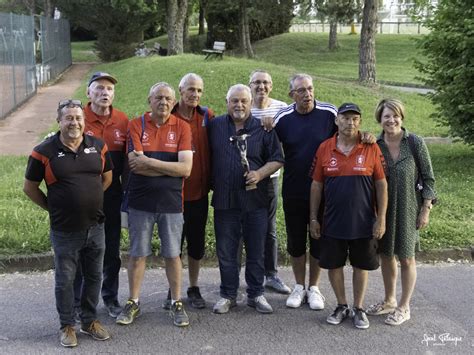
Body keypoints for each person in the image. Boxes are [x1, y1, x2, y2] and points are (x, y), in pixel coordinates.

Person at [23, 99, 113, 348]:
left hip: (95, 227)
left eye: (78, 118)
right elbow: (29, 188)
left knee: (94, 277)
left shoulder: (98, 146)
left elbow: (106, 178)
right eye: (69, 118)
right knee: (65, 279)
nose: (74, 122)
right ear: (59, 121)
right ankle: (67, 325)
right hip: (65, 231)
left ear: (84, 121)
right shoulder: (43, 151)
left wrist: (88, 201)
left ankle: (89, 320)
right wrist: (53, 208)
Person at [115, 82, 193, 327]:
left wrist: (150, 162)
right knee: (138, 254)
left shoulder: (182, 127)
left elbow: (186, 169)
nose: (164, 102)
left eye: (169, 98)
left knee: (173, 254)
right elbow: (135, 165)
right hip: (140, 202)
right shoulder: (135, 125)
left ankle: (176, 302)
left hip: (171, 204)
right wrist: (170, 170)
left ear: (174, 102)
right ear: (149, 100)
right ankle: (133, 301)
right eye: (158, 97)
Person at [309, 103, 388, 329]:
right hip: (332, 220)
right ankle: (342, 305)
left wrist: (381, 218)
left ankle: (358, 307)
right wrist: (314, 218)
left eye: (355, 119)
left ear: (360, 122)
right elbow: (316, 185)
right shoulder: (324, 148)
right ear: (337, 121)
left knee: (360, 265)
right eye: (345, 118)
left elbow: (381, 185)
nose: (350, 123)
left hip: (364, 222)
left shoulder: (370, 147)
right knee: (334, 265)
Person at [208, 84, 284, 314]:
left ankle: (256, 294)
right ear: (227, 102)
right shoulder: (215, 126)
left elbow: (278, 158)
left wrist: (260, 174)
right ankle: (228, 295)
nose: (239, 105)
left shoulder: (264, 128)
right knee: (226, 249)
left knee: (256, 248)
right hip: (225, 199)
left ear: (250, 103)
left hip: (256, 199)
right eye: (234, 101)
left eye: (243, 101)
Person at [367, 98, 436, 326]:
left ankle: (404, 306)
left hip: (409, 209)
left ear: (402, 117)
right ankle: (389, 300)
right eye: (387, 116)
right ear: (380, 118)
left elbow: (428, 179)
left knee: (406, 258)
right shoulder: (375, 145)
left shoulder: (414, 142)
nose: (392, 120)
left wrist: (425, 209)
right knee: (386, 255)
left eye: (395, 115)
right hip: (383, 211)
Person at [272, 74, 337, 310]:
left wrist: (366, 137)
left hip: (325, 190)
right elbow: (271, 147)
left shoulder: (330, 113)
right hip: (294, 189)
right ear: (292, 95)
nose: (307, 94)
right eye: (301, 90)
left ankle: (314, 287)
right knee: (296, 241)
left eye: (310, 89)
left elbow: (349, 133)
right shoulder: (283, 118)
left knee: (317, 239)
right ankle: (299, 286)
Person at [72, 72, 129, 319]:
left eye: (109, 89)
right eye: (99, 88)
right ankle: (78, 302)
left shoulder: (123, 120)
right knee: (81, 250)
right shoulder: (78, 118)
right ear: (88, 93)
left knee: (112, 249)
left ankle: (111, 298)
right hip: (83, 198)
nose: (105, 93)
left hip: (113, 196)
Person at [162, 73, 215, 309]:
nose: (195, 94)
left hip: (199, 194)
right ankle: (172, 290)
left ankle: (193, 287)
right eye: (191, 89)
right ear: (180, 90)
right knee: (173, 246)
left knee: (196, 244)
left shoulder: (207, 117)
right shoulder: (167, 116)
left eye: (199, 90)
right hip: (172, 195)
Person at [249, 69, 291, 294]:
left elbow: (288, 139)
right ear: (250, 86)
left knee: (269, 227)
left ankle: (271, 274)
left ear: (271, 86)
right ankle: (235, 276)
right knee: (238, 227)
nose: (261, 87)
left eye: (265, 83)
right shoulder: (244, 105)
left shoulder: (282, 108)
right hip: (243, 178)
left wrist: (274, 128)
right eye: (256, 82)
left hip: (270, 178)